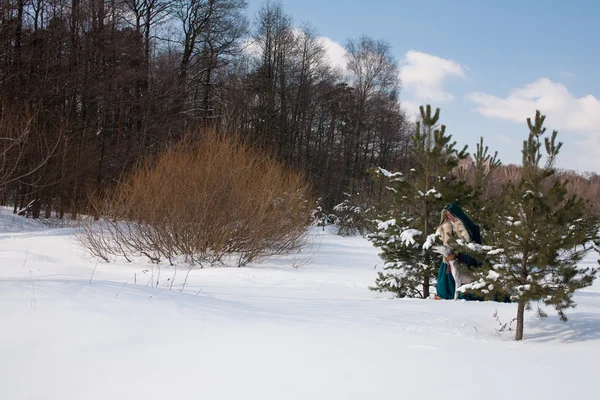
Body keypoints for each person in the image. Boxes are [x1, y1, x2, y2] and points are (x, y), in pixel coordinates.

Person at [433, 203, 483, 300]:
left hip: (465, 255)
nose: (450, 217)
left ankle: (465, 295)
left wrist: (458, 251)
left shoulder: (463, 224)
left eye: (451, 214)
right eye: (447, 215)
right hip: (450, 255)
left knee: (467, 275)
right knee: (446, 276)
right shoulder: (446, 225)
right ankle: (446, 295)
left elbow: (469, 240)